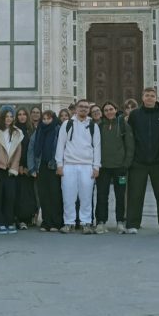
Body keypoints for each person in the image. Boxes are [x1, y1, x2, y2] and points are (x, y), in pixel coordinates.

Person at [126, 88, 159, 234]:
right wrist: (131, 157)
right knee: (135, 194)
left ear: (156, 98)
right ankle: (133, 224)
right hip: (138, 161)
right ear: (142, 97)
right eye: (147, 95)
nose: (150, 98)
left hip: (158, 162)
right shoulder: (135, 114)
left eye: (152, 96)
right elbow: (130, 136)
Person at [55, 98, 101, 234]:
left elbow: (97, 147)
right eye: (81, 106)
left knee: (86, 197)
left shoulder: (93, 126)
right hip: (69, 165)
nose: (84, 109)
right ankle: (68, 222)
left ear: (89, 110)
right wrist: (59, 164)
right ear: (76, 109)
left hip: (87, 166)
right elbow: (60, 145)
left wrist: (96, 167)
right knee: (68, 196)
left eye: (86, 107)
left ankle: (85, 222)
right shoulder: (67, 124)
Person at [95, 101, 134, 233]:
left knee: (120, 195)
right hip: (103, 168)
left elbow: (130, 146)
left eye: (111, 109)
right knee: (102, 195)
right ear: (103, 113)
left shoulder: (123, 125)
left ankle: (120, 221)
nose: (109, 112)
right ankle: (101, 221)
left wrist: (126, 164)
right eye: (106, 110)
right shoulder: (99, 126)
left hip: (120, 168)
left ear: (116, 110)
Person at [0, 108, 24, 234]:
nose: (9, 119)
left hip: (10, 169)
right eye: (6, 116)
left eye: (11, 116)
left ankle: (8, 221)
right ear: (2, 118)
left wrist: (14, 168)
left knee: (10, 196)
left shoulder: (17, 132)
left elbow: (18, 152)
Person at [28, 110, 63, 231]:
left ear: (53, 119)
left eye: (49, 118)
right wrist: (32, 168)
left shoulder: (58, 129)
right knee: (43, 195)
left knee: (55, 194)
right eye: (44, 119)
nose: (46, 121)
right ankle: (46, 222)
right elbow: (31, 149)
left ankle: (56, 222)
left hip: (54, 166)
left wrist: (61, 166)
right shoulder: (39, 130)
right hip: (41, 166)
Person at [14, 106, 37, 229]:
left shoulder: (31, 130)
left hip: (29, 167)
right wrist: (19, 165)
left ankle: (28, 217)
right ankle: (19, 219)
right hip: (17, 166)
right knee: (18, 193)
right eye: (19, 114)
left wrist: (29, 166)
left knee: (28, 193)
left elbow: (31, 149)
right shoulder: (13, 130)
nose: (22, 117)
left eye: (24, 114)